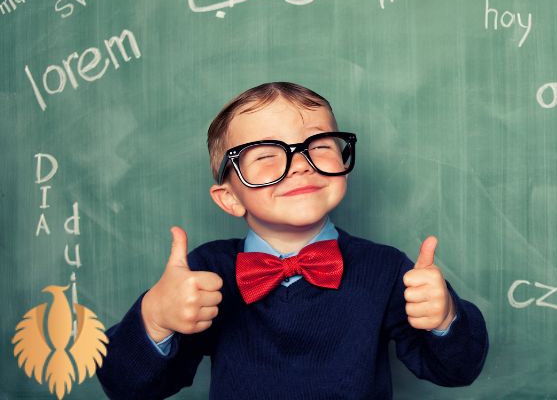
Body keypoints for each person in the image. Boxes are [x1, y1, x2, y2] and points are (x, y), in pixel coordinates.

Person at [97, 82, 489, 399]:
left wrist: (445, 319)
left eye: (318, 145)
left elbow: (456, 371)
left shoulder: (386, 269)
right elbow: (127, 387)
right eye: (266, 155)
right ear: (230, 197)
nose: (301, 163)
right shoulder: (204, 273)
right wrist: (154, 318)